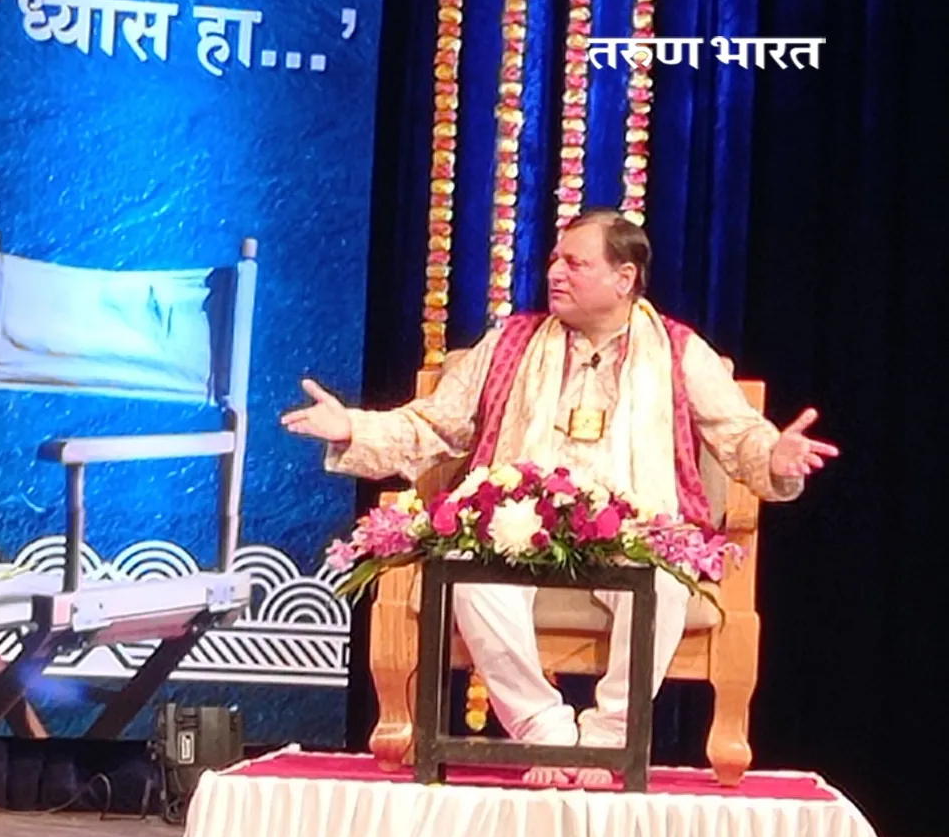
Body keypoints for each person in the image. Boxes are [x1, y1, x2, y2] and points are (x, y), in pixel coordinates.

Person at [281, 209, 837, 787]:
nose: (555, 273)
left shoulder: (679, 351)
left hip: (632, 532)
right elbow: (432, 425)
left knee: (667, 581)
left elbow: (738, 434)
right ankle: (543, 730)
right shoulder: (509, 343)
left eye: (575, 262)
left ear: (624, 277)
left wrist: (773, 456)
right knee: (467, 570)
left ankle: (607, 739)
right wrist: (352, 428)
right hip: (518, 527)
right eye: (553, 260)